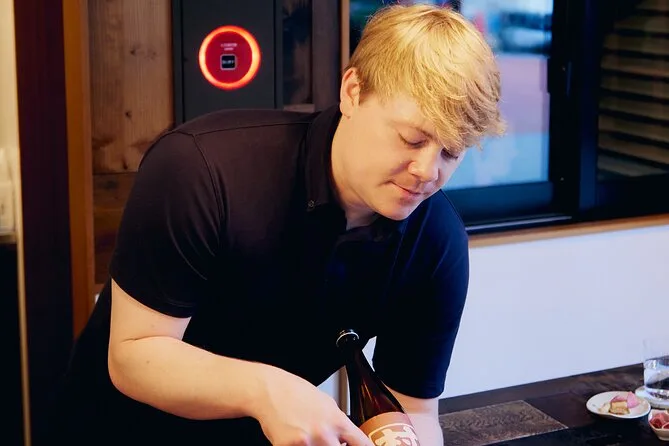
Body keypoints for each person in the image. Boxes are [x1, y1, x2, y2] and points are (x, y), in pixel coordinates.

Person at [47, 3, 504, 445]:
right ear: (353, 92)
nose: (427, 172)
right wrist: (267, 389)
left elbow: (414, 411)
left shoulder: (436, 240)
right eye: (412, 139)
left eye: (451, 151)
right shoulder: (200, 169)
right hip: (114, 430)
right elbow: (134, 355)